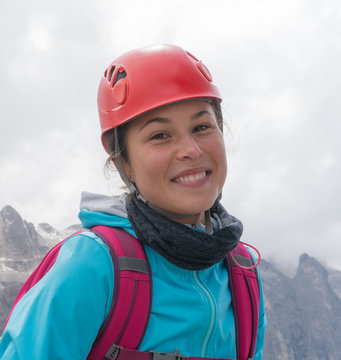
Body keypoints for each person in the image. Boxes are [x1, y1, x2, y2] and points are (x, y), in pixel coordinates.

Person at [0, 44, 266, 359]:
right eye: (160, 136)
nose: (191, 150)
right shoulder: (92, 265)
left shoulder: (241, 271)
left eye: (202, 127)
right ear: (123, 164)